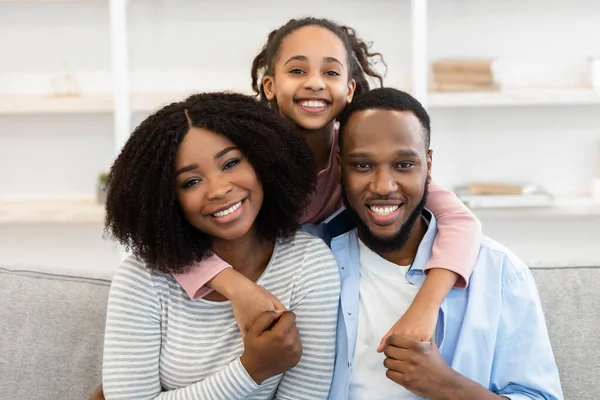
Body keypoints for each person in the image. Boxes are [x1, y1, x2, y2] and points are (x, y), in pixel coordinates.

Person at [176, 17, 482, 349]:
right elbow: (170, 233)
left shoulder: (362, 160)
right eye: (297, 71)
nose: (315, 83)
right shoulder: (248, 161)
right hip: (236, 299)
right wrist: (237, 288)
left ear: (349, 89)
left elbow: (460, 220)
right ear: (269, 86)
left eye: (331, 73)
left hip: (317, 304)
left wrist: (425, 305)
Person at [324, 87, 563, 399]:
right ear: (340, 165)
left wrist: (447, 386)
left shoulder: (499, 272)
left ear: (429, 165)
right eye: (363, 165)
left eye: (404, 165)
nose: (383, 186)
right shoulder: (317, 263)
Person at [101, 92, 340, 399]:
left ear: (263, 159)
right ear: (164, 199)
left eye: (230, 163)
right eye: (191, 182)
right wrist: (251, 370)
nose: (218, 189)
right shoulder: (142, 279)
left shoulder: (308, 263)